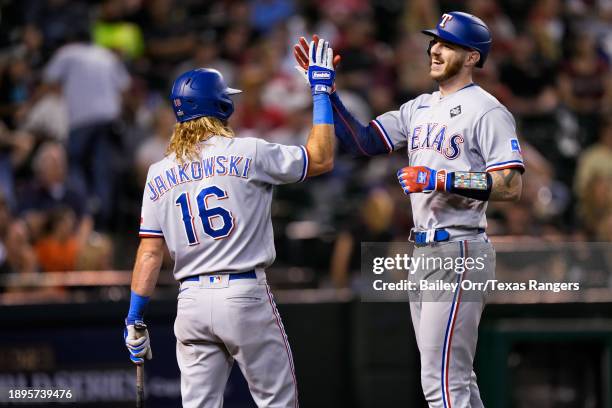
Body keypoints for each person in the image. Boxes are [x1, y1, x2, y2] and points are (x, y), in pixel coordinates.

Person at [295, 12, 524, 407]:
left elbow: (510, 185)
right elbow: (364, 141)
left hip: (460, 248)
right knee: (456, 379)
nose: (435, 49)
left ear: (472, 57)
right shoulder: (419, 106)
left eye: (448, 44)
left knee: (441, 383)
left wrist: (441, 180)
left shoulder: (487, 111)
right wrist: (327, 93)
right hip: (426, 251)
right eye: (435, 41)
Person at [123, 42, 336, 408]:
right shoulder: (248, 151)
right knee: (278, 404)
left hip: (190, 302)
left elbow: (149, 251)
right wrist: (320, 92)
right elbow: (321, 158)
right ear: (222, 106)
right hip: (243, 294)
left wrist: (134, 317)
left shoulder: (158, 172)